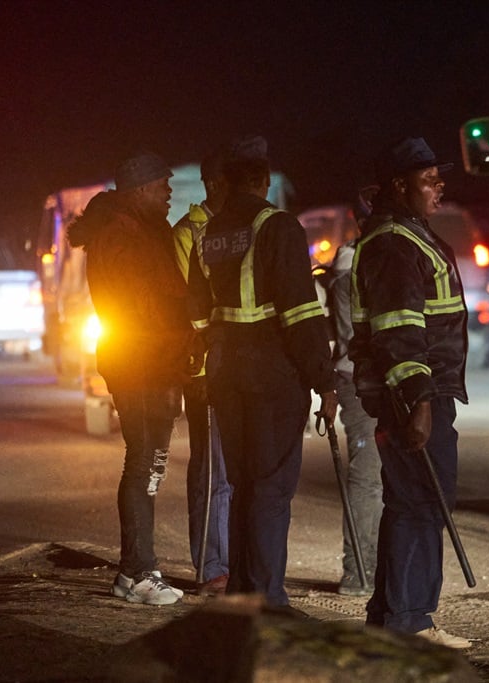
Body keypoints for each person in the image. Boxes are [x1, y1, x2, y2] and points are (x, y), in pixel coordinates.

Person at [186, 135, 337, 606]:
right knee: (271, 489)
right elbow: (301, 314)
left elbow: (194, 315)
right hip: (272, 377)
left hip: (226, 375)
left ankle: (243, 590)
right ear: (263, 180)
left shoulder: (208, 235)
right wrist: (324, 381)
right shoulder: (279, 227)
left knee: (243, 485)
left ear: (227, 182)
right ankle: (268, 598)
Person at [349, 137, 471, 649]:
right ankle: (411, 621)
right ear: (400, 185)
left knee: (411, 503)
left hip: (419, 393)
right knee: (420, 504)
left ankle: (392, 616)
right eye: (428, 179)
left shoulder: (405, 235)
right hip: (414, 396)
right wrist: (418, 401)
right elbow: (400, 330)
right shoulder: (395, 242)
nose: (439, 186)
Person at [68, 151, 193, 606]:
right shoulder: (122, 234)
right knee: (144, 461)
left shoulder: (137, 227)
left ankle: (142, 567)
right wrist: (179, 340)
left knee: (150, 462)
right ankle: (135, 573)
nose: (169, 193)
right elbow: (146, 305)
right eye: (163, 185)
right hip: (140, 363)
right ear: (140, 189)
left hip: (152, 361)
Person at [172, 148, 232, 596]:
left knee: (238, 472)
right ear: (215, 185)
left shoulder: (240, 230)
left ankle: (232, 561)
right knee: (213, 472)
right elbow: (188, 304)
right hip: (207, 369)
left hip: (241, 366)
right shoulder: (188, 233)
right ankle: (211, 566)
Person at [321, 187, 382, 597]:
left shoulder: (358, 257)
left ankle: (368, 570)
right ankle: (358, 572)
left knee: (373, 477)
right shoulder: (356, 260)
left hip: (367, 379)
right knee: (368, 477)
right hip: (362, 382)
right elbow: (352, 335)